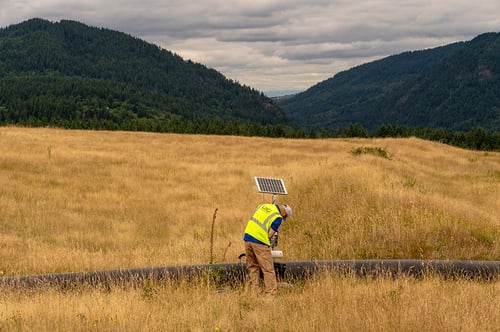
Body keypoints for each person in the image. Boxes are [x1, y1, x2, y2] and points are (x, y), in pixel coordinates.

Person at [243, 203, 292, 296]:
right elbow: (270, 234)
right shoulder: (278, 217)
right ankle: (271, 294)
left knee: (253, 267)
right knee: (268, 269)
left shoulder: (264, 206)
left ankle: (255, 293)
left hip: (247, 237)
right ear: (284, 214)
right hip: (259, 241)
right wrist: (268, 244)